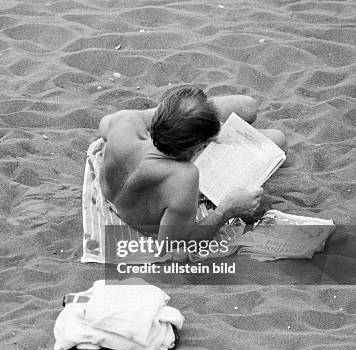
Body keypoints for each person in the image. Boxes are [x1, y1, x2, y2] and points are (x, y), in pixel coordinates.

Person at [99, 87, 286, 245]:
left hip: (156, 144)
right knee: (278, 139)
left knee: (247, 105)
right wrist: (227, 210)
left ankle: (187, 117)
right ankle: (193, 120)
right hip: (169, 165)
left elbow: (103, 125)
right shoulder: (182, 178)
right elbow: (173, 247)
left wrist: (176, 121)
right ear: (199, 147)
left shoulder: (125, 122)